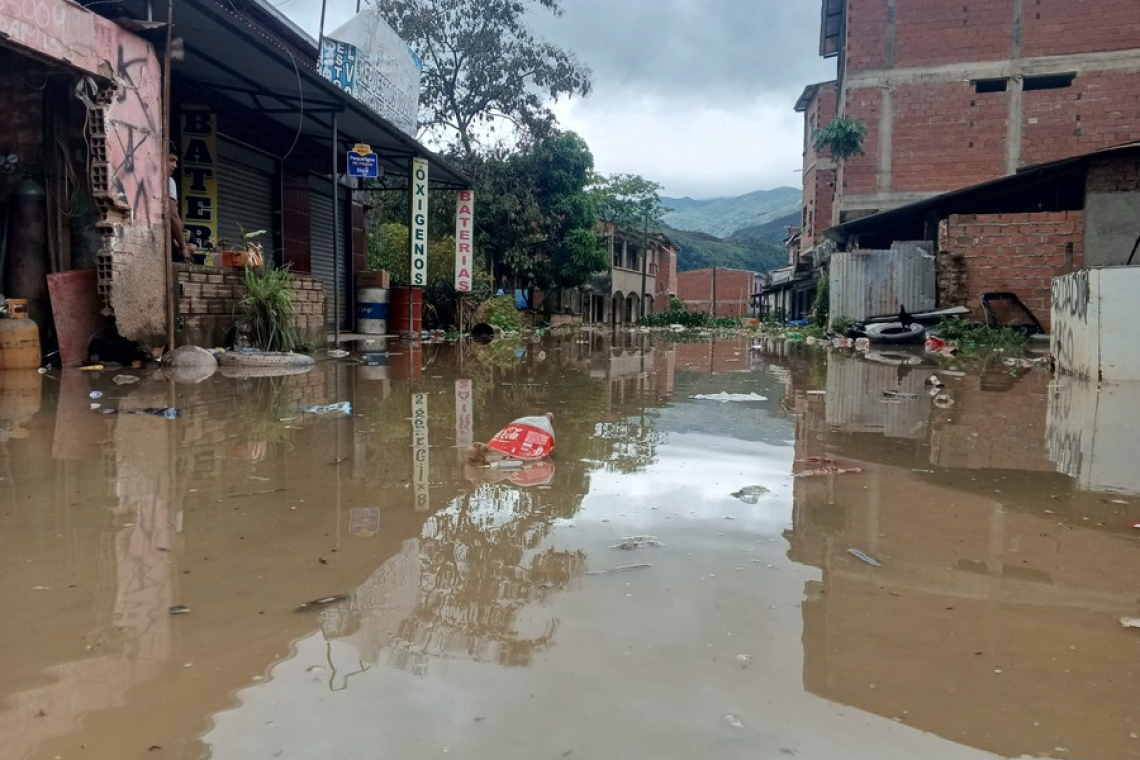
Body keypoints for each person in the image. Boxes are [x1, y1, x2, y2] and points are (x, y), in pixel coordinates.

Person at [168, 153, 195, 263]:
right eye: (171, 160)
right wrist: (184, 247)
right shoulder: (168, 181)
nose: (175, 166)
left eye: (176, 162)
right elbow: (172, 214)